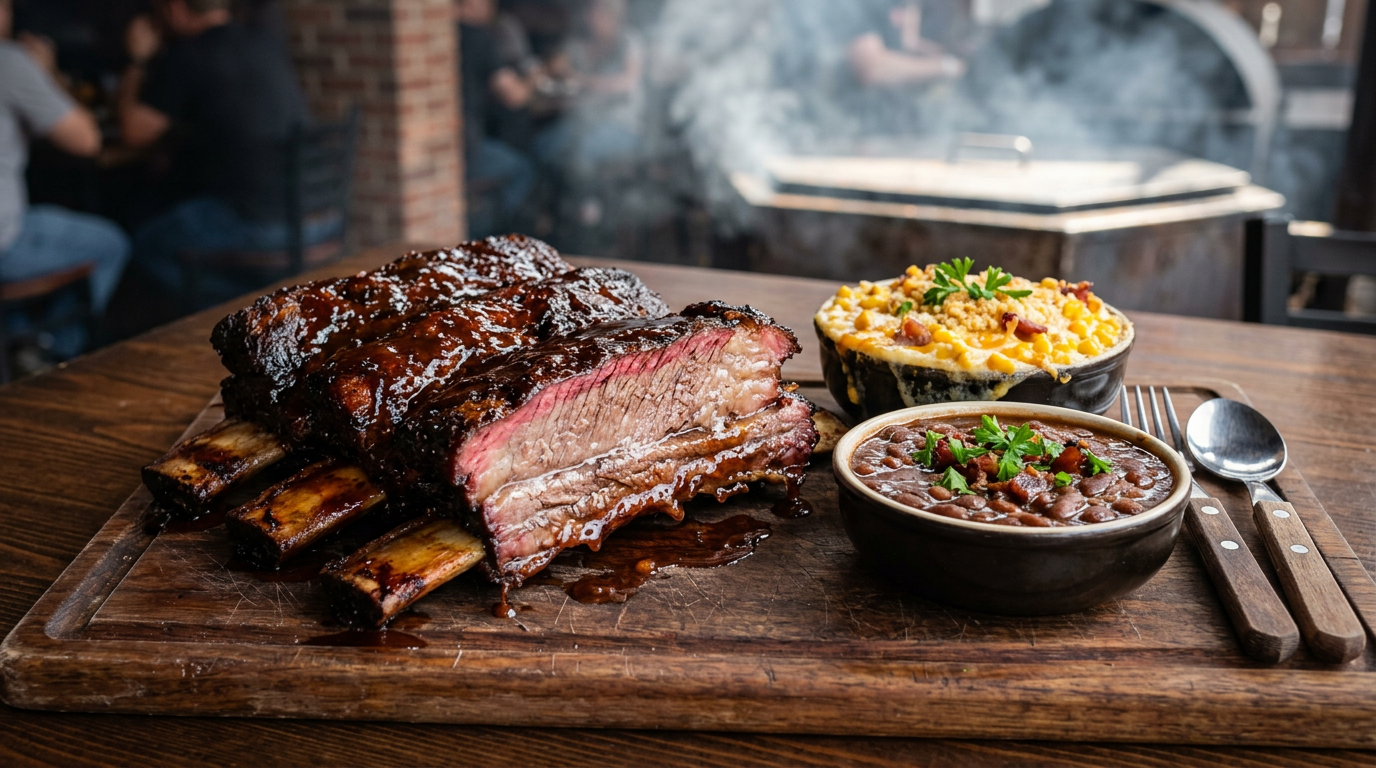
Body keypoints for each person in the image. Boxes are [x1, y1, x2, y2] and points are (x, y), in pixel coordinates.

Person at [118, 0, 317, 309]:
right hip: (316, 216)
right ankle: (253, 306)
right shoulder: (265, 41)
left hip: (259, 227)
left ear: (175, 9)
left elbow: (133, 133)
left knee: (140, 245)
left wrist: (136, 59)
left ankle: (233, 309)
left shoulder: (188, 54)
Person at [0, 0, 130, 361]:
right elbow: (86, 140)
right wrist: (46, 71)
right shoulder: (9, 60)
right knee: (110, 242)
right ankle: (51, 353)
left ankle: (18, 338)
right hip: (4, 245)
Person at [457, 0, 537, 238]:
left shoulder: (436, 34)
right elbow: (515, 96)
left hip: (439, 149)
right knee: (523, 169)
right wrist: (537, 75)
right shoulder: (479, 37)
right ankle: (486, 239)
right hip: (465, 150)